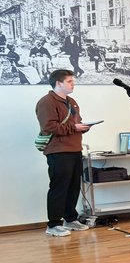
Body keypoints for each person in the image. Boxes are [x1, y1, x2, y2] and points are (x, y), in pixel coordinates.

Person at [35, 69, 91, 237]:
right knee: (59, 187)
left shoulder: (72, 101)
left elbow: (76, 123)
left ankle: (70, 219)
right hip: (58, 151)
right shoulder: (46, 102)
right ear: (58, 83)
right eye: (69, 81)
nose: (73, 84)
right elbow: (49, 127)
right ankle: (53, 225)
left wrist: (83, 127)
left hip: (75, 148)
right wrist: (74, 128)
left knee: (74, 186)